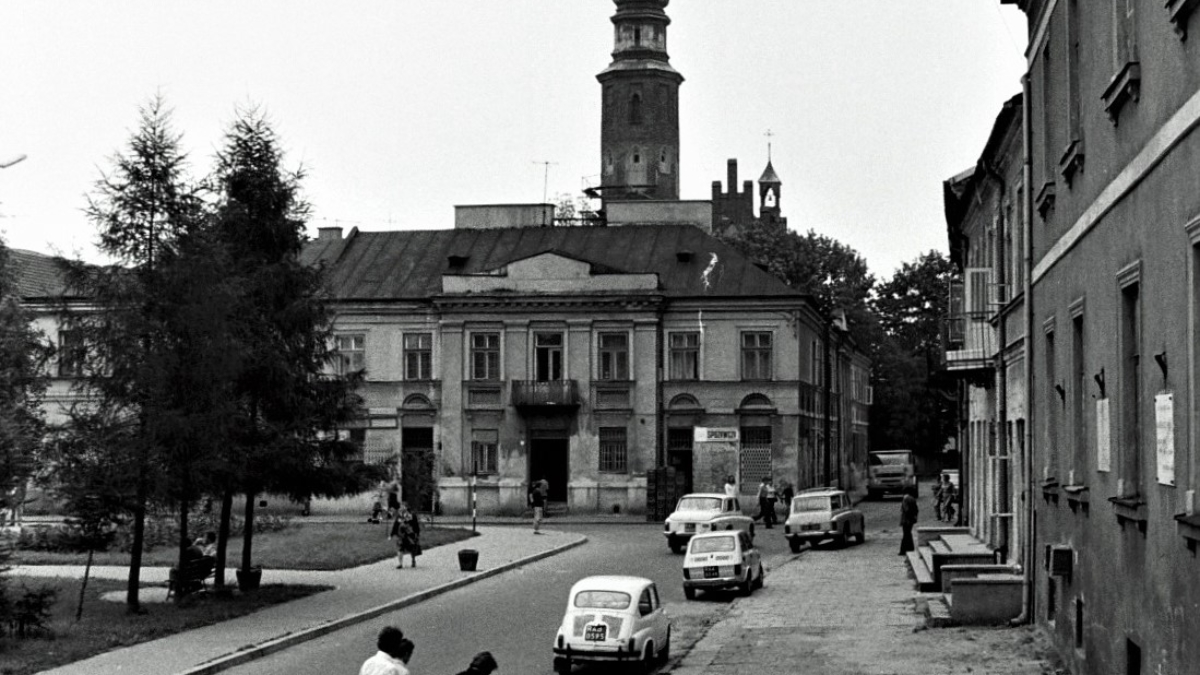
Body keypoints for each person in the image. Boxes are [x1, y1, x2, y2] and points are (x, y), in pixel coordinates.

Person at [899, 486, 919, 555]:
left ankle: (903, 550)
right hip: (911, 519)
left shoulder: (905, 499)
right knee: (908, 534)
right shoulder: (912, 499)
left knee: (906, 534)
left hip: (906, 519)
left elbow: (906, 510)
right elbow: (916, 510)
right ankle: (910, 548)